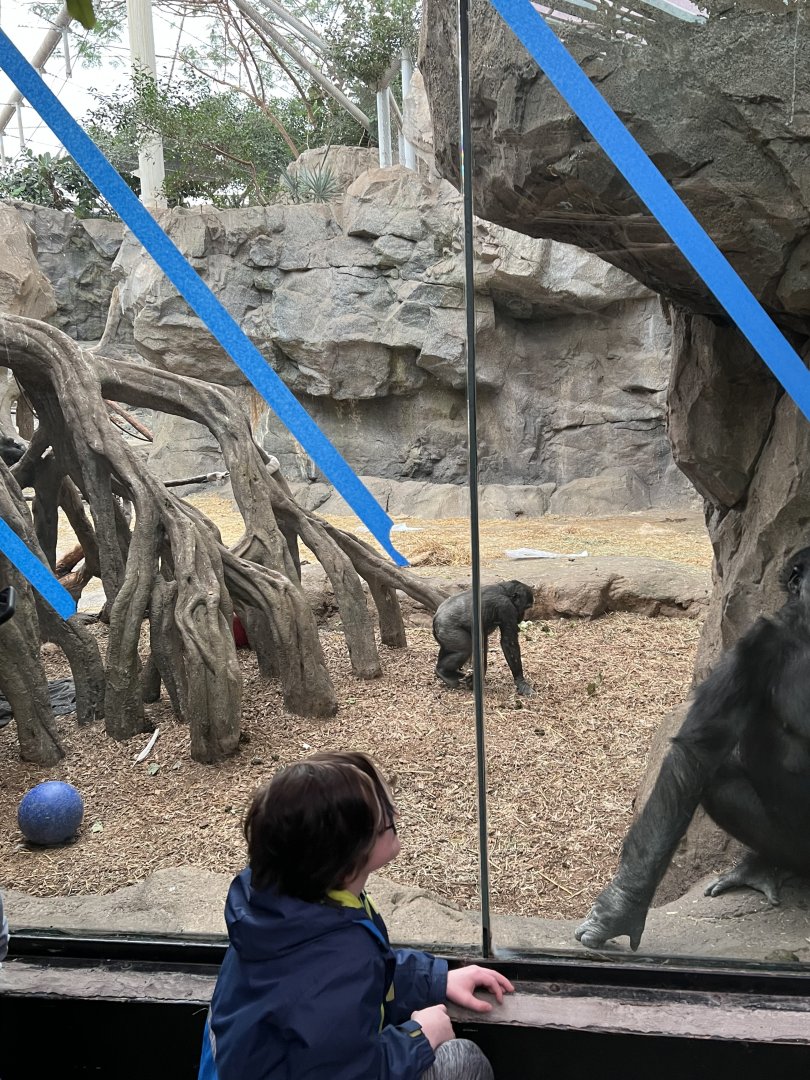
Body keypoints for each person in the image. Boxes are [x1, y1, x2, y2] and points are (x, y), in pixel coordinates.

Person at [198, 750, 513, 1079]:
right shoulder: (334, 960)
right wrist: (420, 1036)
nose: (396, 813)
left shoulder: (286, 907)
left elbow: (358, 981)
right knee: (463, 1063)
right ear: (346, 856)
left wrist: (435, 980)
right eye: (385, 818)